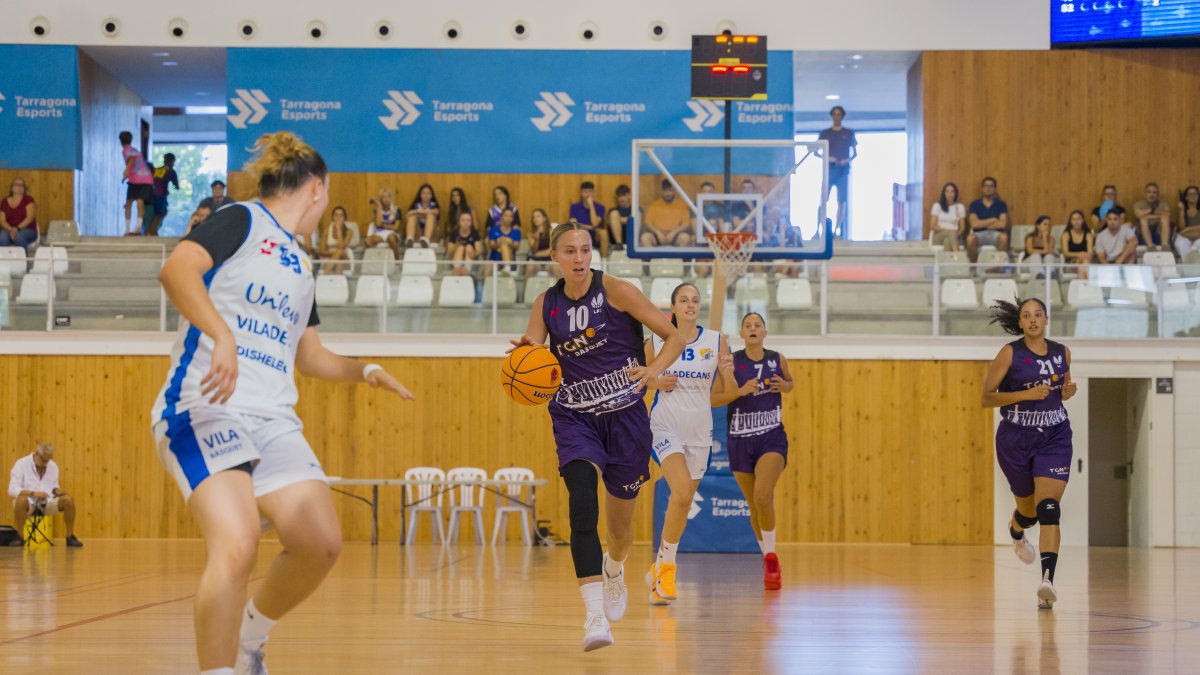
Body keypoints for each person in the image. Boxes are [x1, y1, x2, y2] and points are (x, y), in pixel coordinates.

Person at [151, 131, 415, 674]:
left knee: (319, 542)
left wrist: (365, 371)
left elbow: (310, 355)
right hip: (206, 404)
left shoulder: (300, 263)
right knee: (239, 540)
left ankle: (249, 641)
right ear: (317, 189)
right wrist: (221, 335)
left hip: (272, 419)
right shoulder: (240, 219)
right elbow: (177, 269)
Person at [508, 221, 684, 651]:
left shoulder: (617, 291)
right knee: (582, 506)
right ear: (555, 257)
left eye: (585, 250)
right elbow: (532, 351)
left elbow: (674, 336)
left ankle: (615, 568)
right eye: (570, 251)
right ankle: (593, 618)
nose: (580, 258)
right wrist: (523, 357)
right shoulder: (546, 304)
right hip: (575, 419)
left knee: (620, 531)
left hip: (625, 419)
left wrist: (653, 370)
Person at [982, 297, 1076, 610]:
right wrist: (1025, 394)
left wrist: (1066, 392)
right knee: (1029, 511)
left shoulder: (1062, 352)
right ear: (1020, 323)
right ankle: (1016, 530)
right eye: (1027, 315)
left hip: (1054, 436)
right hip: (1015, 438)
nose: (1033, 320)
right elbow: (987, 398)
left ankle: (1046, 582)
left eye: (1038, 314)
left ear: (1046, 319)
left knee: (1048, 507)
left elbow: (1061, 388)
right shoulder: (1010, 353)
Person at [643, 283, 733, 606]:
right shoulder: (655, 340)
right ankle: (667, 569)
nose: (691, 304)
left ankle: (658, 565)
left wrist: (729, 372)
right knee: (680, 491)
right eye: (684, 300)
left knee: (682, 502)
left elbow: (726, 391)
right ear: (674, 307)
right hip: (664, 424)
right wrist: (654, 380)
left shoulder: (716, 340)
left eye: (695, 300)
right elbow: (637, 380)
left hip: (700, 430)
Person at [715, 312, 793, 591]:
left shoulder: (777, 358)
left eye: (757, 325)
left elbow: (790, 384)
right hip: (740, 439)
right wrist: (739, 391)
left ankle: (772, 558)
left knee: (763, 495)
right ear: (741, 332)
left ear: (765, 332)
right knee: (755, 504)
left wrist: (784, 386)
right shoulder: (732, 362)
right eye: (747, 325)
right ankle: (767, 558)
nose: (752, 329)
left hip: (771, 437)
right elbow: (715, 398)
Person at [7, 443, 83, 548]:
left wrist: (57, 491)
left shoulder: (52, 465)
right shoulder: (21, 464)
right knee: (20, 500)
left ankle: (70, 537)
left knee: (68, 499)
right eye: (43, 460)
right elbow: (12, 489)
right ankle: (20, 537)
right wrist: (33, 493)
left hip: (47, 502)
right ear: (37, 453)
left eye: (48, 460)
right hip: (29, 503)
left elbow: (53, 486)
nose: (46, 463)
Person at [818, 106, 858, 236]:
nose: (837, 117)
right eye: (834, 114)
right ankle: (819, 229)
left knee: (841, 201)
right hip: (829, 169)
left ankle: (837, 230)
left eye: (839, 114)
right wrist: (828, 158)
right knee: (824, 199)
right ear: (832, 116)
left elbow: (854, 153)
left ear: (842, 116)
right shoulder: (825, 133)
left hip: (843, 170)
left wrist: (847, 160)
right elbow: (815, 152)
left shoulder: (849, 133)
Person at [966, 177, 1010, 263]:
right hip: (979, 234)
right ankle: (974, 266)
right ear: (982, 188)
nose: (988, 188)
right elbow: (974, 224)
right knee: (970, 239)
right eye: (986, 186)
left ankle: (999, 267)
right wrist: (993, 220)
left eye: (991, 186)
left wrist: (982, 223)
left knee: (1004, 237)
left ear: (994, 189)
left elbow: (1002, 224)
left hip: (996, 233)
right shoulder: (974, 204)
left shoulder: (1001, 204)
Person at [640, 179, 693, 248]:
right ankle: (650, 258)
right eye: (665, 191)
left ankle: (679, 259)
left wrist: (674, 233)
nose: (668, 193)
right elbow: (648, 223)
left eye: (670, 190)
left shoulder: (682, 205)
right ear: (661, 191)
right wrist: (658, 233)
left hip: (675, 235)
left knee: (685, 238)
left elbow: (686, 224)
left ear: (674, 191)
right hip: (658, 235)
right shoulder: (654, 205)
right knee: (645, 238)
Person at [121, 130, 155, 235]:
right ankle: (137, 227)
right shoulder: (135, 150)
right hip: (146, 180)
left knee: (129, 204)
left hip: (138, 180)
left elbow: (131, 159)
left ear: (121, 142)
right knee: (139, 203)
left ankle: (129, 229)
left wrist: (126, 171)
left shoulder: (126, 150)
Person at [568, 181, 610, 257]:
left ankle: (604, 260)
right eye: (585, 192)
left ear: (593, 193)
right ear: (581, 193)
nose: (588, 194)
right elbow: (574, 224)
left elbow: (595, 223)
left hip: (595, 235)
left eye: (590, 192)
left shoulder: (600, 207)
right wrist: (589, 227)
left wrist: (591, 205)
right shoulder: (574, 207)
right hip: (580, 233)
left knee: (604, 233)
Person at [0, 177, 39, 250]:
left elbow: (29, 218)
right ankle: (4, 260)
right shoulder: (4, 202)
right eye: (16, 184)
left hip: (28, 229)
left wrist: (17, 229)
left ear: (24, 189)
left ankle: (24, 261)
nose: (19, 187)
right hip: (9, 228)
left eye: (22, 185)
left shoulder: (28, 200)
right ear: (11, 188)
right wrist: (11, 229)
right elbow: (2, 220)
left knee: (19, 237)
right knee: (2, 237)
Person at [1133, 182, 1173, 253]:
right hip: (1143, 230)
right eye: (1149, 192)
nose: (1152, 195)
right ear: (1145, 193)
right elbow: (1138, 215)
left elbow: (1167, 214)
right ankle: (1150, 245)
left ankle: (1165, 245)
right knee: (1143, 219)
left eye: (1154, 192)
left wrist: (1147, 214)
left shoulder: (1164, 204)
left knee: (1165, 218)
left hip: (1159, 229)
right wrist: (1154, 211)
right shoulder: (1138, 204)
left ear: (1158, 194)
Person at [365, 188, 402, 259]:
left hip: (392, 233)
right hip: (380, 233)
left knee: (391, 238)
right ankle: (375, 260)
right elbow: (378, 224)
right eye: (384, 197)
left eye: (388, 196)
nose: (386, 199)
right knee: (367, 241)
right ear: (381, 199)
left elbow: (395, 227)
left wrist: (383, 225)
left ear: (391, 198)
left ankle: (397, 261)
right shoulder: (377, 210)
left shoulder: (397, 210)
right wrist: (379, 208)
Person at [148, 153, 180, 236]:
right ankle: (152, 230)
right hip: (161, 194)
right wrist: (174, 187)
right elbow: (176, 185)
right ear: (172, 161)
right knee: (161, 213)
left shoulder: (158, 170)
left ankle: (152, 230)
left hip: (152, 194)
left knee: (157, 213)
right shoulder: (171, 172)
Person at [318, 206, 354, 276]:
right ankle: (337, 285)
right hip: (329, 259)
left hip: (344, 258)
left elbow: (342, 248)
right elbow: (321, 251)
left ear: (345, 218)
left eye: (341, 215)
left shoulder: (349, 231)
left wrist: (338, 230)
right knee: (338, 263)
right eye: (336, 215)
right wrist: (336, 254)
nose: (338, 217)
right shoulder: (327, 231)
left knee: (340, 252)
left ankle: (324, 277)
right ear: (333, 217)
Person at [929, 182, 965, 251]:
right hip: (939, 236)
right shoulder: (937, 206)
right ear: (944, 193)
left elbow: (962, 228)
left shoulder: (960, 207)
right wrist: (949, 231)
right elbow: (932, 226)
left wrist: (956, 234)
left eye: (952, 191)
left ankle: (947, 261)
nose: (950, 194)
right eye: (947, 191)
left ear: (955, 193)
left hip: (954, 237)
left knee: (947, 240)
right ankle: (957, 254)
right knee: (951, 233)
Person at [1060, 210, 1093, 280]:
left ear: (1083, 220)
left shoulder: (1088, 235)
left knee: (1083, 264)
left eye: (1078, 219)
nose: (1076, 222)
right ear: (1070, 221)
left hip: (1085, 261)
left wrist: (1082, 257)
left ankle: (1081, 288)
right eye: (1073, 219)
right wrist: (1080, 254)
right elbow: (1065, 253)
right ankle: (1087, 288)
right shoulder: (1066, 235)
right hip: (1070, 263)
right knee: (1084, 262)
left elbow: (1090, 253)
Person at [447, 211, 482, 276]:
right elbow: (449, 251)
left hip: (471, 258)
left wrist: (474, 253)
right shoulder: (454, 233)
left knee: (469, 246)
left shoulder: (474, 233)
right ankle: (457, 268)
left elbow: (478, 251)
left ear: (471, 222)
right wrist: (456, 246)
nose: (465, 223)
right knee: (461, 247)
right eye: (463, 220)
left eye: (468, 220)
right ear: (459, 222)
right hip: (456, 256)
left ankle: (466, 269)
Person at [404, 183, 439, 248]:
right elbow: (407, 215)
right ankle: (410, 238)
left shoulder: (434, 205)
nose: (426, 195)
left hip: (431, 234)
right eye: (424, 193)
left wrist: (423, 212)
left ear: (431, 195)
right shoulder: (416, 205)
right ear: (420, 195)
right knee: (412, 217)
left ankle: (426, 239)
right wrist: (417, 211)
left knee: (430, 216)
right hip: (418, 231)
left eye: (428, 193)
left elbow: (436, 212)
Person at [488, 208, 522, 273]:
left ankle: (507, 266)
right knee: (488, 266)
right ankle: (507, 268)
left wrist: (509, 242)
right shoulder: (493, 230)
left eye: (510, 216)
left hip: (511, 258)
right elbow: (491, 245)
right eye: (506, 215)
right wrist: (500, 243)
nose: (508, 218)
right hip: (495, 259)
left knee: (504, 244)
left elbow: (516, 246)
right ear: (501, 217)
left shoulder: (516, 232)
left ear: (512, 219)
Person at [525, 208, 555, 278]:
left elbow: (551, 250)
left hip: (549, 259)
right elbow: (533, 250)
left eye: (538, 216)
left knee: (557, 267)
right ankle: (527, 289)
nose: (535, 219)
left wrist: (537, 254)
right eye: (533, 217)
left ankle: (561, 288)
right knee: (530, 267)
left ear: (544, 218)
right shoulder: (530, 233)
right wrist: (537, 240)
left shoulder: (551, 231)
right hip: (535, 260)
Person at [1175, 185, 1200, 260]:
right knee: (1182, 244)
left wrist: (1189, 228)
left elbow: (1185, 229)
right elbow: (1182, 228)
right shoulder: (1183, 211)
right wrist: (1181, 210)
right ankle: (1187, 269)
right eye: (1190, 194)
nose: (1193, 196)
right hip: (1185, 236)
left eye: (1195, 194)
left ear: (1198, 197)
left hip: (1198, 236)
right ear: (1186, 198)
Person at [605, 184, 632, 252]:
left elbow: (635, 220)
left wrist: (617, 220)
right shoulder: (613, 211)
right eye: (620, 196)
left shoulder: (636, 209)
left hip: (631, 241)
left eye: (624, 195)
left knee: (637, 213)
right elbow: (609, 221)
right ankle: (619, 244)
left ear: (629, 195)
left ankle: (632, 244)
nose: (622, 199)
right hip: (615, 243)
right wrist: (627, 219)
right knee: (614, 214)